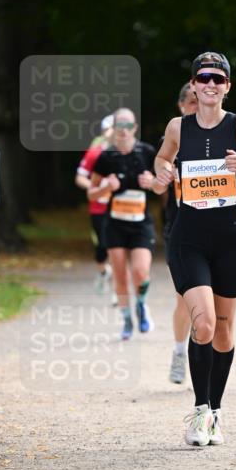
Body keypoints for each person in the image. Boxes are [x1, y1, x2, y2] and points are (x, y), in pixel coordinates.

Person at [153, 52, 236, 447]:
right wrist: (163, 169)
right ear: (193, 84)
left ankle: (216, 411)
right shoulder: (178, 126)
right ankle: (199, 410)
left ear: (227, 86)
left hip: (230, 240)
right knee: (205, 324)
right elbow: (162, 157)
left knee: (224, 330)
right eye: (203, 78)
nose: (210, 84)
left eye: (218, 79)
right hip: (188, 238)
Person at [87, 108, 158, 340]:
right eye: (120, 126)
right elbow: (92, 194)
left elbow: (164, 185)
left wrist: (153, 182)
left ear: (135, 128)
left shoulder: (147, 152)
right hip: (115, 224)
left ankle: (141, 305)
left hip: (140, 223)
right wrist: (106, 188)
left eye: (128, 126)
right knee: (120, 275)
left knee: (140, 272)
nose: (124, 131)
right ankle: (127, 319)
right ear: (114, 128)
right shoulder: (106, 157)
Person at [162, 83, 197, 384]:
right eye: (190, 101)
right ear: (180, 106)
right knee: (185, 299)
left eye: (200, 101)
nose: (196, 106)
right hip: (180, 228)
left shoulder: (223, 135)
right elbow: (156, 184)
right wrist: (163, 176)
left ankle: (202, 352)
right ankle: (178, 351)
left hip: (218, 227)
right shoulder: (172, 140)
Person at [75, 114, 115, 297]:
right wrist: (95, 188)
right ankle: (103, 272)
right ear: (104, 132)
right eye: (111, 128)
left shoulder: (129, 153)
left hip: (120, 208)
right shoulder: (95, 153)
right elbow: (80, 177)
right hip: (98, 208)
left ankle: (117, 290)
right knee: (102, 247)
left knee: (118, 247)